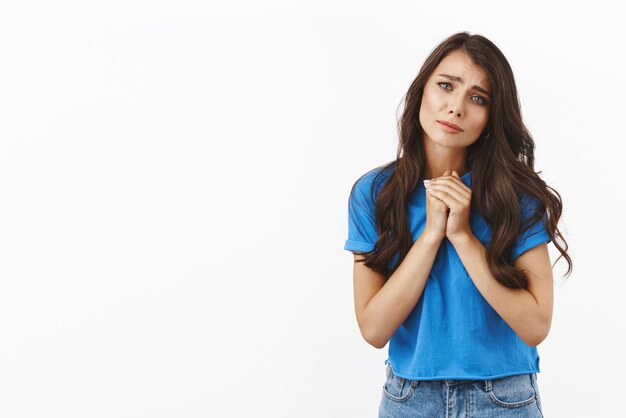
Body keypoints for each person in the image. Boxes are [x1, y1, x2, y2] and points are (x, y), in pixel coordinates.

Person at [343, 32, 572, 417]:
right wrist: (431, 234)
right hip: (409, 399)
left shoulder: (516, 196)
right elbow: (373, 329)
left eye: (478, 98)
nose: (455, 107)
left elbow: (535, 325)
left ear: (491, 118)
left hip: (505, 399)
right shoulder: (374, 194)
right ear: (421, 91)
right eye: (446, 86)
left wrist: (463, 236)